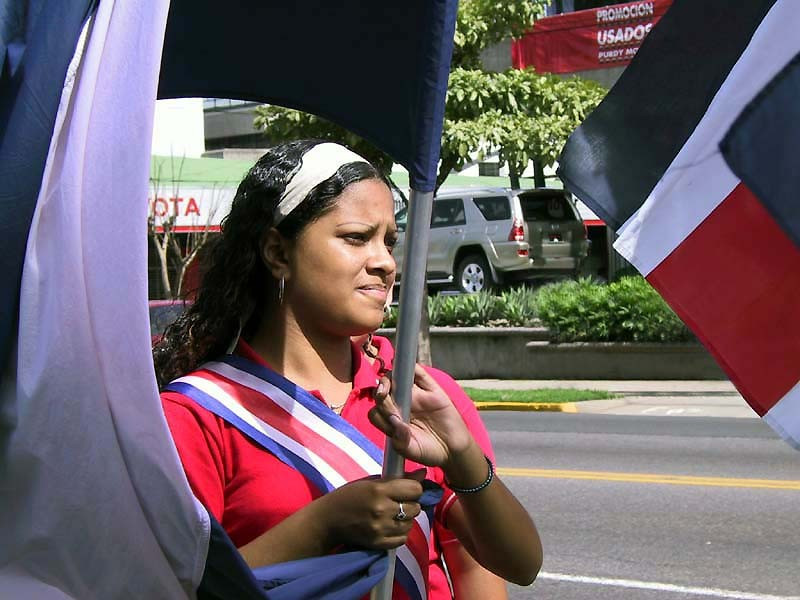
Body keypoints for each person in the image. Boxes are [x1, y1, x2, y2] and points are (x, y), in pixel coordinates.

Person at [154, 140, 542, 599]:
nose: (384, 262)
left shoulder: (418, 393)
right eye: (357, 237)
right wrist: (323, 525)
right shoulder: (196, 416)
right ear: (278, 252)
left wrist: (462, 456)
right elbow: (174, 588)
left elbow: (520, 563)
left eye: (390, 242)